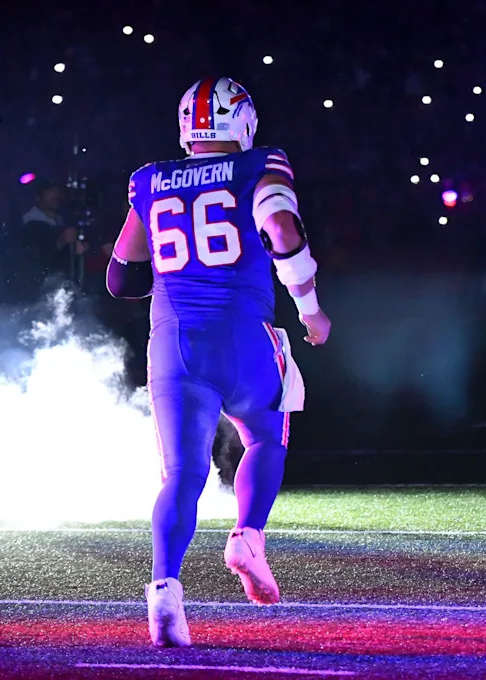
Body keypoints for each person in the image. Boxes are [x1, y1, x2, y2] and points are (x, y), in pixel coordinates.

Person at [106, 77, 331, 647]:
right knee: (264, 440)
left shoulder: (149, 180)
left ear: (187, 126)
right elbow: (281, 228)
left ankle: (164, 591)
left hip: (174, 340)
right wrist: (310, 309)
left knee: (182, 474)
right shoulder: (260, 164)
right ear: (243, 122)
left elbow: (120, 275)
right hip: (244, 334)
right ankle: (247, 536)